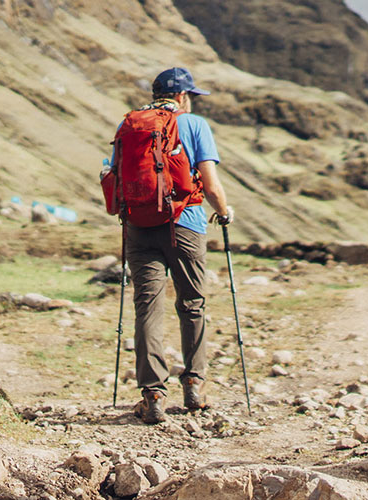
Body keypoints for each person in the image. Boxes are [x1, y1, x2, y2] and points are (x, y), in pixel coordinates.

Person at [112, 67, 233, 424]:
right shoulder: (195, 126)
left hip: (138, 225)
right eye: (192, 96)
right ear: (182, 96)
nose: (193, 103)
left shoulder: (128, 125)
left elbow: (116, 173)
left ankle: (153, 395)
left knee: (148, 307)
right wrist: (224, 212)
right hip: (186, 224)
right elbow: (210, 184)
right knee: (192, 304)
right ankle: (194, 386)